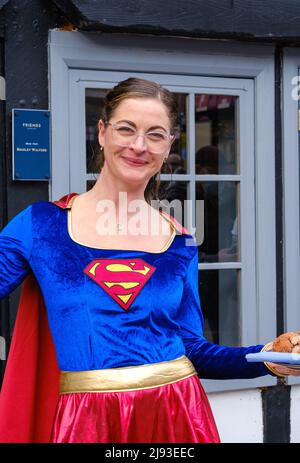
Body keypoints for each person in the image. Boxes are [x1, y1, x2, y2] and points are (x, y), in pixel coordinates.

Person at [0, 77, 299, 444]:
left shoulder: (180, 240)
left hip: (177, 415)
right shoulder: (40, 225)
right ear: (102, 132)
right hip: (88, 422)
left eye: (155, 134)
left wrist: (264, 357)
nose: (139, 146)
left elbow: (193, 349)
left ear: (169, 144)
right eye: (126, 129)